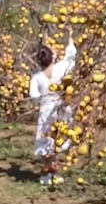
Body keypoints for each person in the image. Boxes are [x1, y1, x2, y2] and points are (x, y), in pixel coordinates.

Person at [28, 36, 76, 186]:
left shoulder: (37, 77)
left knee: (46, 141)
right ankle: (53, 174)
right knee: (57, 141)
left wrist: (44, 97)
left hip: (46, 111)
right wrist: (70, 38)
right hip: (61, 109)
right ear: (53, 57)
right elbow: (70, 56)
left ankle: (48, 174)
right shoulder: (61, 69)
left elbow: (34, 96)